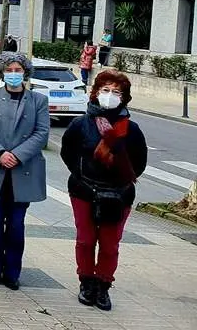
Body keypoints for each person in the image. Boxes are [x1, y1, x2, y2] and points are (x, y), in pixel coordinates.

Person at [61, 71, 147, 311]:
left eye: (116, 92)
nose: (110, 96)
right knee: (86, 240)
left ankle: (103, 285)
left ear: (124, 97)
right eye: (105, 90)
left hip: (119, 195)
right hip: (84, 190)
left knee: (110, 244)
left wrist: (120, 184)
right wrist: (81, 177)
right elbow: (68, 153)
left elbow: (139, 163)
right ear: (96, 93)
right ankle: (86, 282)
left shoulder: (131, 129)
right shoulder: (80, 124)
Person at [0, 52, 49, 290]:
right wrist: (0, 153)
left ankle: (13, 272)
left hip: (23, 170)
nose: (14, 74)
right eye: (10, 70)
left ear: (25, 72)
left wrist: (17, 155)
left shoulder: (38, 100)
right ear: (1, 72)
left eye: (18, 70)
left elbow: (41, 133)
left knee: (17, 224)